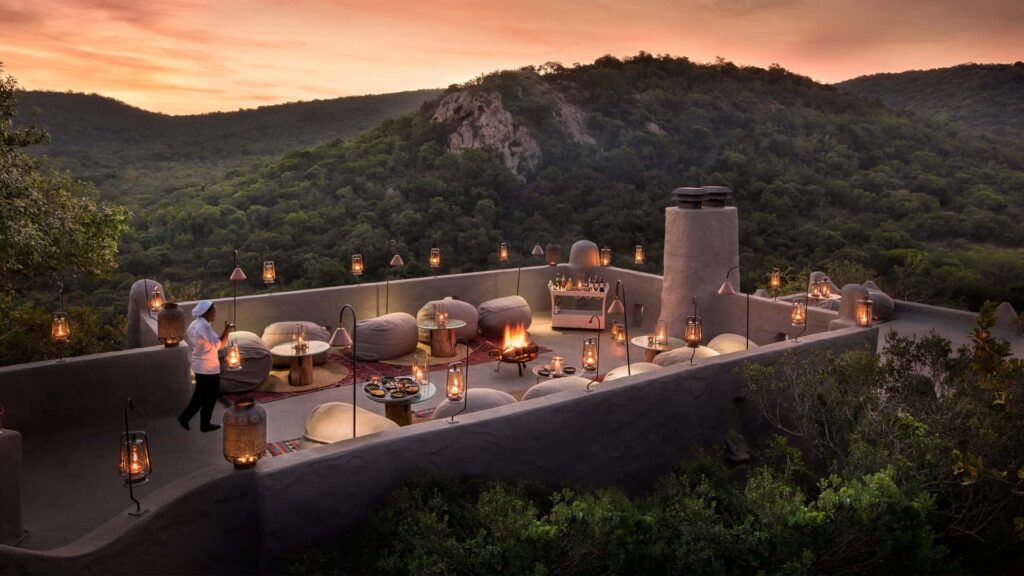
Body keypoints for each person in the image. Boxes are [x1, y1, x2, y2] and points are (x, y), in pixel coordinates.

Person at [178, 300, 233, 432]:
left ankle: (194, 420)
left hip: (200, 364)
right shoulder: (204, 327)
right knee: (208, 396)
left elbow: (210, 341)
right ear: (206, 312)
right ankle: (195, 421)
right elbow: (219, 345)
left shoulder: (195, 324)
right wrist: (227, 329)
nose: (215, 315)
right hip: (207, 367)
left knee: (201, 395)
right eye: (213, 312)